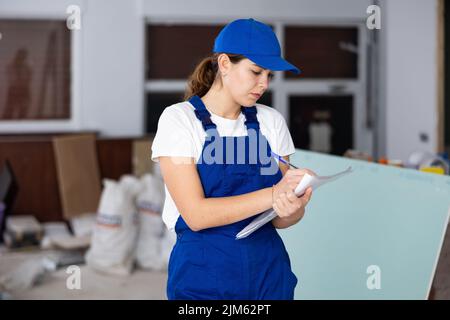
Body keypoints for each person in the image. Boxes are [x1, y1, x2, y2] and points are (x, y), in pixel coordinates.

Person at [151, 18, 313, 300]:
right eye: (256, 72)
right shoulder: (179, 121)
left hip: (268, 273)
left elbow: (278, 221)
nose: (264, 84)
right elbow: (196, 215)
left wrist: (293, 207)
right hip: (203, 276)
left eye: (269, 75)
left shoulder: (271, 122)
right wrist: (275, 194)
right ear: (224, 64)